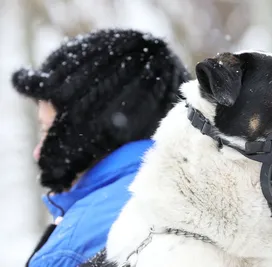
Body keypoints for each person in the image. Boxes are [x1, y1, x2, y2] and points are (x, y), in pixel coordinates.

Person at [11, 28, 190, 267]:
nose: (38, 151)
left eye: (47, 131)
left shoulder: (74, 247)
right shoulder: (209, 208)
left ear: (83, 130)